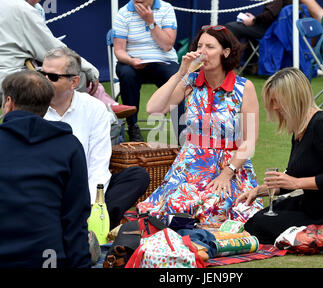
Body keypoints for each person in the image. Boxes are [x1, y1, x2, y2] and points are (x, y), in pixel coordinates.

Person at [137, 25, 263, 224]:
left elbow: (250, 140)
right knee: (175, 206)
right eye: (200, 46)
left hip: (229, 164)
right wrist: (181, 73)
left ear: (226, 52)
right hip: (190, 163)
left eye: (210, 47)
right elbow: (154, 108)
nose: (202, 51)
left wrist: (227, 173)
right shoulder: (190, 82)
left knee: (216, 207)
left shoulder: (243, 87)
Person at [238, 67, 323, 248]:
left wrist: (296, 183)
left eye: (277, 100)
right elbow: (292, 176)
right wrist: (260, 191)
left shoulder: (322, 126)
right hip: (314, 205)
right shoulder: (299, 129)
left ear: (294, 97)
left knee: (260, 225)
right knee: (257, 219)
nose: (274, 107)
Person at [0, 70, 91, 267]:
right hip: (48, 259)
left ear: (8, 103)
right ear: (46, 108)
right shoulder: (69, 146)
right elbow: (75, 219)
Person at [42, 47, 149, 229]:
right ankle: (90, 227)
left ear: (74, 81)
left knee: (137, 176)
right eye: (41, 74)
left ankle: (92, 223)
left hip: (83, 187)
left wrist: (90, 206)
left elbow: (98, 164)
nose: (44, 81)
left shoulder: (94, 108)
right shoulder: (32, 104)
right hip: (45, 188)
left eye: (52, 77)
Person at [0, 0, 135, 118]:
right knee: (74, 78)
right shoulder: (21, 9)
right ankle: (95, 117)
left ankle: (102, 110)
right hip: (6, 84)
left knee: (66, 76)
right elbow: (52, 50)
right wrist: (88, 67)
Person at [113, 0, 181, 142]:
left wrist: (150, 22)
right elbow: (119, 50)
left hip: (163, 60)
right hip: (133, 61)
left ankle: (183, 130)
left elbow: (167, 45)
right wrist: (131, 60)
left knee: (178, 79)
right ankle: (132, 126)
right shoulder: (123, 12)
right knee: (126, 73)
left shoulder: (166, 8)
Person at [224, 0, 292, 72]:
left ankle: (231, 66)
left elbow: (270, 15)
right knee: (240, 28)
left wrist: (253, 20)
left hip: (272, 31)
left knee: (231, 27)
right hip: (275, 29)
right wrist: (254, 19)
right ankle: (250, 66)